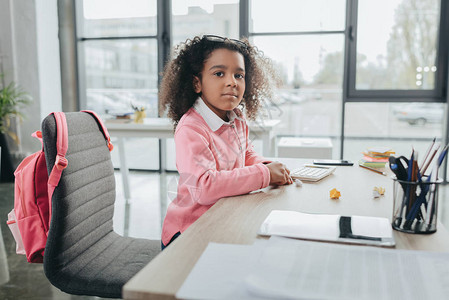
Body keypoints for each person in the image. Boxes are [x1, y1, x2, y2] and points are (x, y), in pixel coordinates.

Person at [159, 35, 292, 250]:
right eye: (219, 73)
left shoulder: (236, 118)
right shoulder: (190, 129)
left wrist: (268, 166)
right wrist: (264, 175)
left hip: (223, 220)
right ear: (197, 83)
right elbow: (204, 187)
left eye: (239, 75)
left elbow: (246, 155)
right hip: (188, 233)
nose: (231, 81)